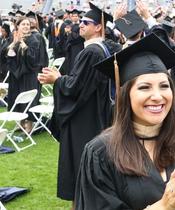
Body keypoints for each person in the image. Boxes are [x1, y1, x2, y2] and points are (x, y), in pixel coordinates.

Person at [74, 33, 175, 210]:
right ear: (126, 95)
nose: (157, 96)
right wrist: (163, 207)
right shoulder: (102, 153)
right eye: (144, 87)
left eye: (164, 86)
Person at [37, 2, 122, 204]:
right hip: (95, 114)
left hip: (84, 119)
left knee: (80, 167)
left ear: (98, 27)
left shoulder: (92, 52)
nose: (80, 24)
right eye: (81, 21)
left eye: (86, 22)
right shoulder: (103, 48)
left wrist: (57, 79)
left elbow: (75, 88)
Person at [6, 17, 43, 132]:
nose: (26, 26)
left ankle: (30, 125)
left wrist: (22, 43)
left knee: (29, 100)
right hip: (16, 74)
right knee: (16, 96)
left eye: (27, 24)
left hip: (29, 74)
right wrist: (14, 43)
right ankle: (20, 123)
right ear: (18, 26)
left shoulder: (34, 39)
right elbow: (8, 55)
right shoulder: (13, 37)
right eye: (23, 24)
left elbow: (32, 58)